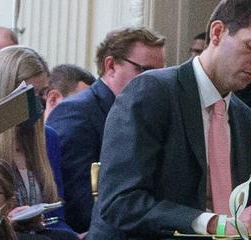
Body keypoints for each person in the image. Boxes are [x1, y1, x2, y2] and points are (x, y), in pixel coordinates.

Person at [89, 0, 251, 240]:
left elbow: (239, 210)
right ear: (217, 32)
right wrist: (214, 223)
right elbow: (121, 201)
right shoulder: (151, 92)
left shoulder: (245, 118)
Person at [48, 26, 166, 234]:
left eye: (161, 72)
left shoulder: (149, 113)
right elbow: (79, 200)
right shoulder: (76, 112)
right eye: (145, 71)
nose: (155, 80)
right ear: (110, 65)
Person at [0, 47, 75, 238]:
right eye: (30, 95)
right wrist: (6, 221)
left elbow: (56, 216)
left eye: (42, 93)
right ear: (7, 94)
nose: (39, 103)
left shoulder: (47, 138)